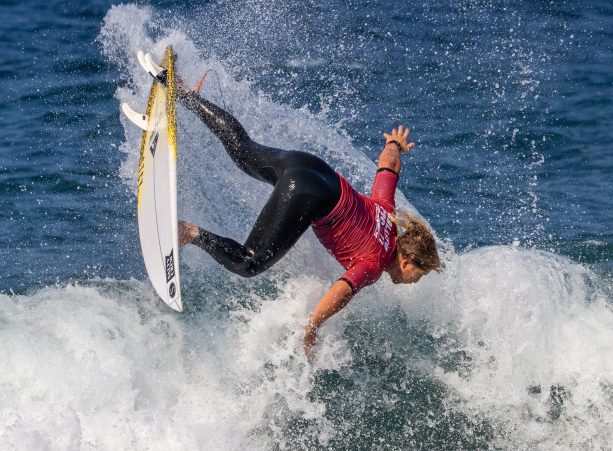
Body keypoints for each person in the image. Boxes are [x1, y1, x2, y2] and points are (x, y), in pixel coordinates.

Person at [174, 87, 441, 354]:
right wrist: (313, 326)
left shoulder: (387, 216)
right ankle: (189, 232)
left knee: (243, 151)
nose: (416, 281)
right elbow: (343, 290)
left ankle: (186, 95)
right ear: (406, 261)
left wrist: (394, 144)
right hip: (305, 194)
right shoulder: (375, 263)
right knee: (248, 262)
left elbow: (388, 166)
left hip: (310, 166)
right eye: (420, 273)